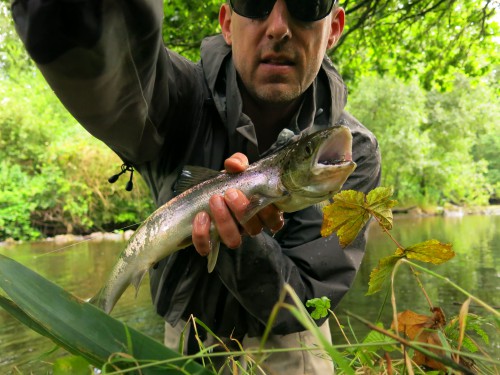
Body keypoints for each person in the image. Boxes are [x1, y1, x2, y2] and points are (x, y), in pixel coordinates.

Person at [12, 0, 381, 373]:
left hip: (297, 352)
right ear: (226, 22)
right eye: (254, 2)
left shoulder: (355, 152)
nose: (278, 28)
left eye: (307, 3)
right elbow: (115, 64)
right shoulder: (174, 99)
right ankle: (101, 302)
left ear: (333, 28)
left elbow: (307, 299)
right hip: (184, 344)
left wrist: (243, 243)